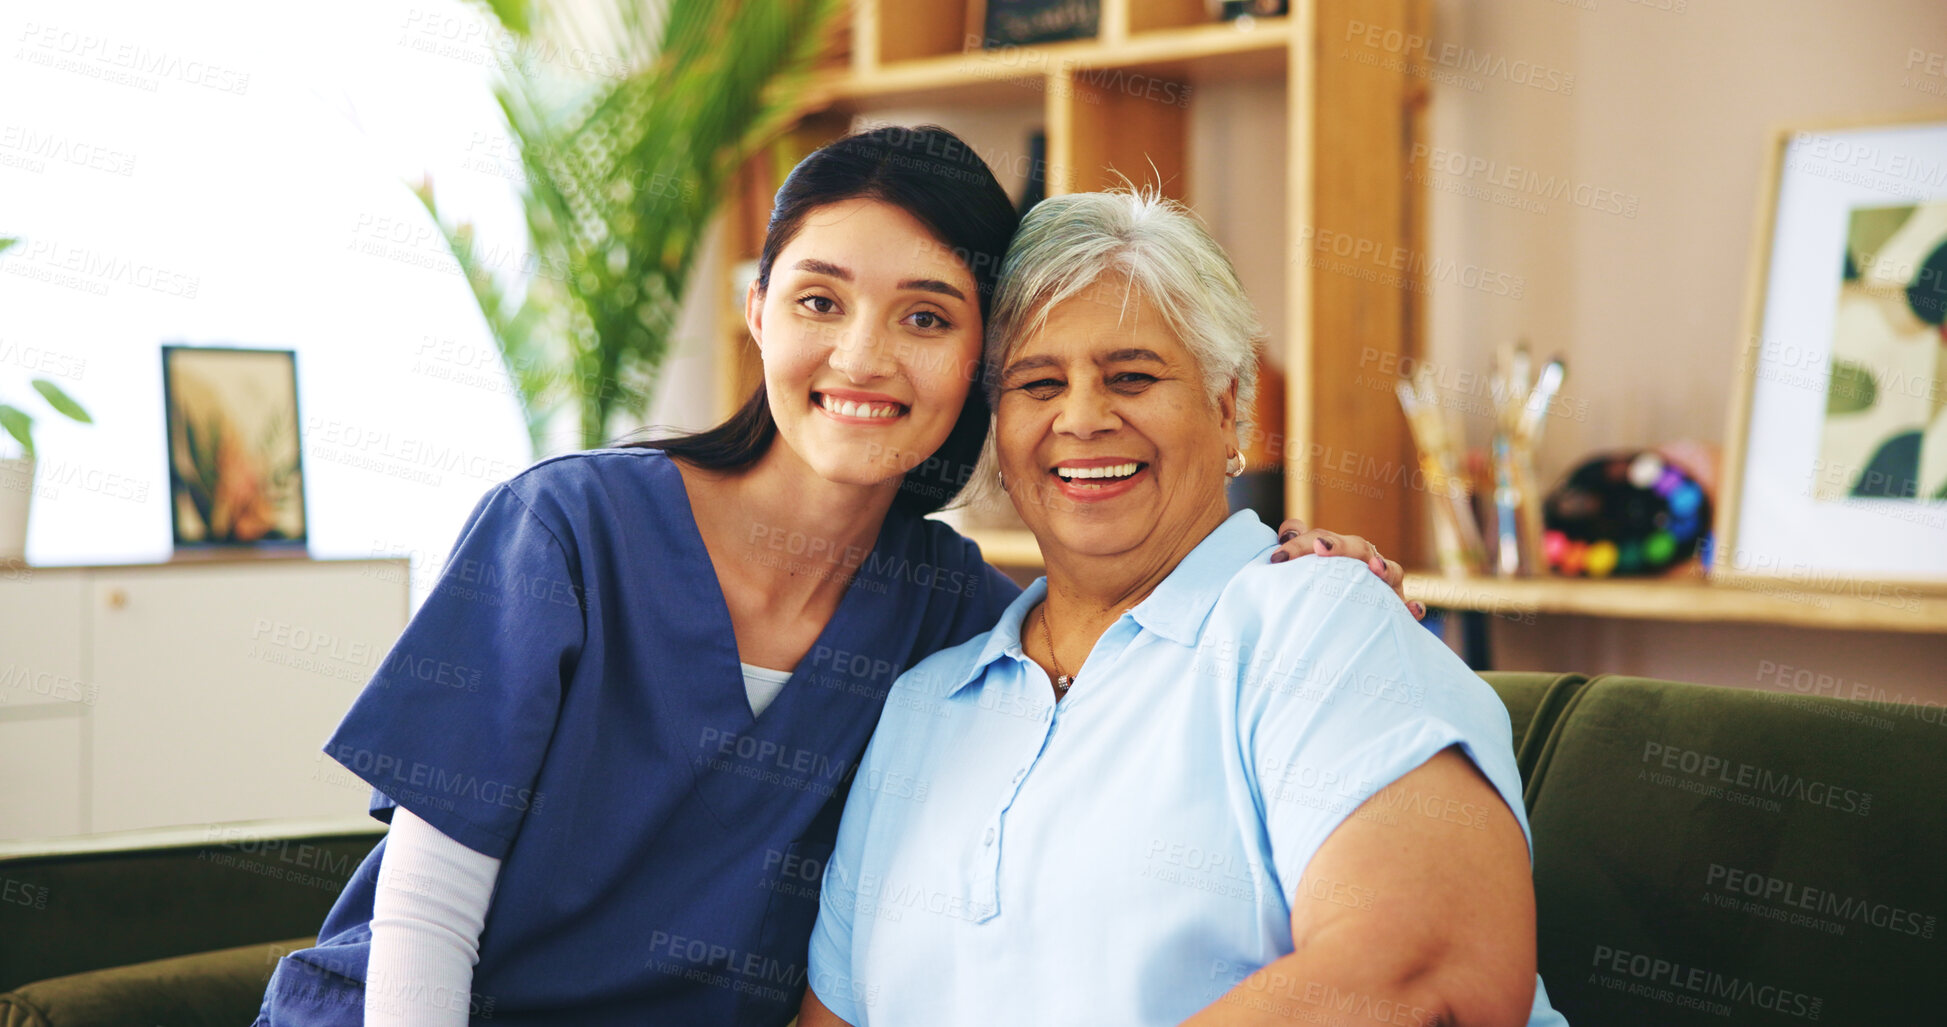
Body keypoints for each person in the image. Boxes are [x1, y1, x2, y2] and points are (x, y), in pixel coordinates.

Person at [254, 127, 1409, 1027]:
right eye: (819, 300)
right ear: (757, 313)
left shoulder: (955, 616)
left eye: (925, 315)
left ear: (975, 366)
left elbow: (1144, 617)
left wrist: (1290, 558)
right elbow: (424, 912)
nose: (862, 355)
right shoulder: (566, 531)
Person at [801, 189, 1568, 1026]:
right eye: (1037, 382)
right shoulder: (923, 704)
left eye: (1131, 375)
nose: (1083, 417)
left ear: (1226, 404)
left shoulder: (1317, 623)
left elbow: (1427, 970)